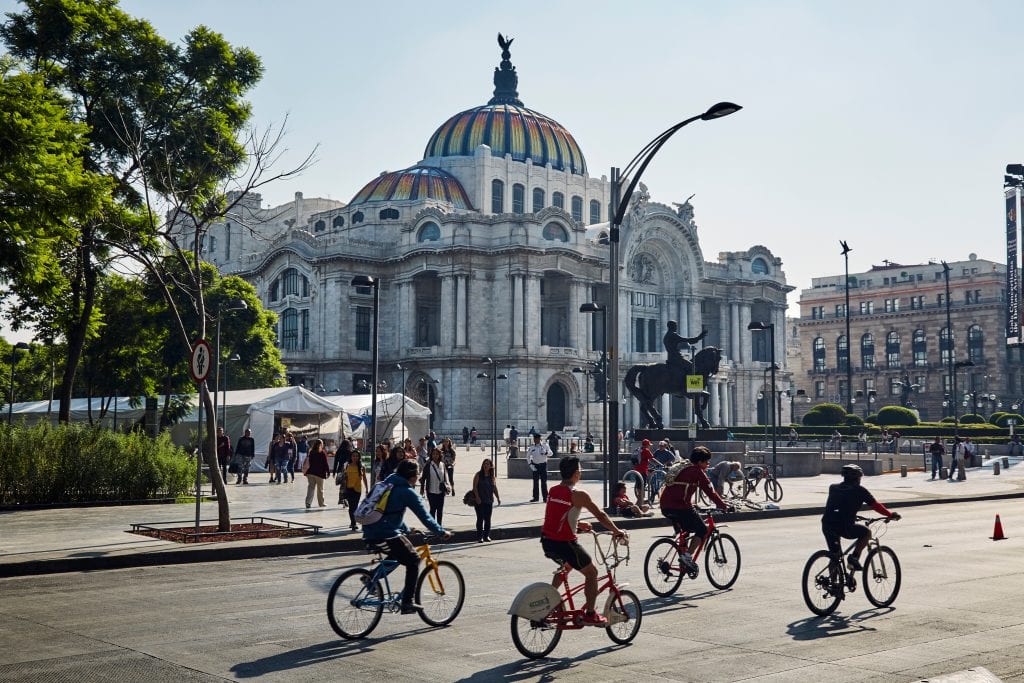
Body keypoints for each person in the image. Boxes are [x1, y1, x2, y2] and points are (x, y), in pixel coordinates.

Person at [541, 456, 627, 626]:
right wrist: (617, 531)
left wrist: (578, 525)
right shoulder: (578, 495)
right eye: (579, 469)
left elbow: (557, 517)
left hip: (547, 541)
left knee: (567, 565)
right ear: (576, 474)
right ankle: (590, 614)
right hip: (565, 543)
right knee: (592, 573)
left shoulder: (553, 490)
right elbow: (601, 515)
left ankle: (548, 602)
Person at [362, 460, 453, 614]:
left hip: (371, 531)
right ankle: (407, 602)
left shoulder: (388, 483)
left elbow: (390, 513)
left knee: (397, 555)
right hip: (385, 533)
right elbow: (425, 517)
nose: (418, 477)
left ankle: (371, 578)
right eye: (417, 474)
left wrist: (405, 529)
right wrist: (440, 531)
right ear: (411, 476)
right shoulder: (406, 491)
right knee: (414, 560)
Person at [659, 446, 732, 571]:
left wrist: (691, 503)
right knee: (702, 530)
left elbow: (679, 489)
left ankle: (682, 560)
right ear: (699, 462)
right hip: (680, 507)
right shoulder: (697, 471)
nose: (708, 464)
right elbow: (711, 492)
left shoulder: (683, 466)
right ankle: (687, 557)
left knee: (686, 532)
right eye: (706, 461)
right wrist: (724, 506)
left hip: (666, 506)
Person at [821, 464, 901, 572]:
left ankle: (834, 586)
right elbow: (875, 505)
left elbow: (839, 506)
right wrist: (889, 514)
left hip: (827, 525)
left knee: (835, 556)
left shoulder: (833, 487)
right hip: (844, 526)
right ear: (857, 478)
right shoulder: (860, 490)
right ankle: (854, 558)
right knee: (866, 533)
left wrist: (853, 516)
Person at [472, 458, 501, 542]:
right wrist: (477, 497)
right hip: (480, 501)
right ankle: (480, 536)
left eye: (488, 464)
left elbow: (494, 488)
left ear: (490, 466)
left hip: (489, 500)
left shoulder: (492, 476)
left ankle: (486, 536)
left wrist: (498, 497)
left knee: (488, 519)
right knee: (480, 518)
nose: (486, 465)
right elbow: (474, 487)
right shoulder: (478, 475)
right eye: (485, 464)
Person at [420, 448, 451, 526]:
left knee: (440, 510)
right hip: (431, 491)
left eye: (437, 454)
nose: (435, 456)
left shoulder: (442, 464)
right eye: (433, 454)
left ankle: (439, 526)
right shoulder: (428, 465)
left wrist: (448, 485)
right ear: (431, 455)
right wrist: (422, 489)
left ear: (439, 455)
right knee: (433, 509)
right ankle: (433, 526)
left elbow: (445, 476)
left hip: (441, 491)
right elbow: (423, 478)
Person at [340, 447, 368, 530]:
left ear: (359, 457)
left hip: (357, 489)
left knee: (355, 507)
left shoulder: (362, 467)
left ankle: (353, 522)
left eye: (357, 456)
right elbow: (344, 477)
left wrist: (367, 488)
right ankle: (353, 523)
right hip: (348, 489)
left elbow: (365, 478)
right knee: (351, 507)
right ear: (351, 457)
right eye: (353, 456)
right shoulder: (347, 466)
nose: (355, 457)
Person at [303, 438, 330, 509]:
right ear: (321, 445)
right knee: (320, 489)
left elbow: (310, 462)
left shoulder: (311, 452)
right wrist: (328, 471)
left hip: (311, 473)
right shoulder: (322, 453)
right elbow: (325, 464)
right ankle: (321, 503)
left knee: (311, 488)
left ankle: (308, 503)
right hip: (320, 474)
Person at [527, 432, 553, 502]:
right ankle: (535, 497)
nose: (535, 440)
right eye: (534, 439)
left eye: (536, 439)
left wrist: (545, 453)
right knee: (535, 482)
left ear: (539, 439)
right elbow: (528, 456)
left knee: (543, 482)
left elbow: (551, 453)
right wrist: (530, 465)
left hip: (543, 465)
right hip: (535, 465)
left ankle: (545, 498)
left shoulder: (545, 445)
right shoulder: (532, 447)